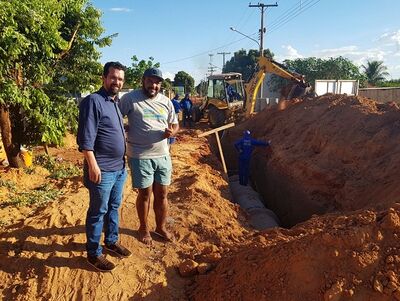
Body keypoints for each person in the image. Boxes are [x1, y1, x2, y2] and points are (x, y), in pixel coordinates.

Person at [77, 61, 131, 272]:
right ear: (104, 78)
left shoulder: (114, 103)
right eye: (113, 77)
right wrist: (92, 165)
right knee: (98, 211)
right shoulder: (93, 101)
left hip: (119, 168)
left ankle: (111, 241)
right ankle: (93, 253)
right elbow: (85, 138)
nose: (116, 81)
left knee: (113, 207)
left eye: (120, 79)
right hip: (102, 169)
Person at [119, 67, 179, 245]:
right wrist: (124, 128)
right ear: (143, 81)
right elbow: (116, 118)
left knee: (162, 194)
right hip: (139, 155)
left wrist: (172, 132)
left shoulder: (166, 101)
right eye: (150, 81)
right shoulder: (130, 99)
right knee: (145, 194)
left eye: (157, 82)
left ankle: (160, 227)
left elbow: (175, 124)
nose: (154, 85)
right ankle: (143, 227)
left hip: (162, 155)